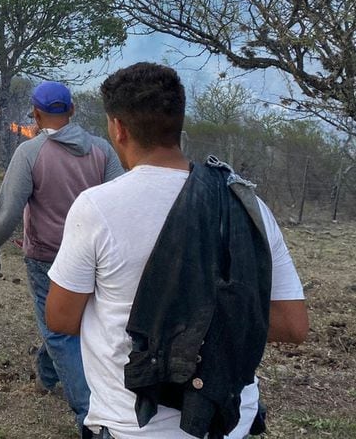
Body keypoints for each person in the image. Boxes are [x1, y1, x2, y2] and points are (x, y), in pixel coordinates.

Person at [46, 63, 308, 439]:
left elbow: (61, 318)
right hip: (231, 422)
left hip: (131, 426)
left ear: (118, 128)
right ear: (178, 125)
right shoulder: (247, 205)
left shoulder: (97, 207)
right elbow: (293, 325)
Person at [0, 80, 123, 434]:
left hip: (47, 258)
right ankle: (45, 376)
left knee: (59, 331)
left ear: (37, 114)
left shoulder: (30, 153)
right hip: (97, 257)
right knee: (75, 322)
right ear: (72, 110)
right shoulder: (102, 150)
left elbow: (8, 211)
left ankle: (90, 415)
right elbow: (121, 198)